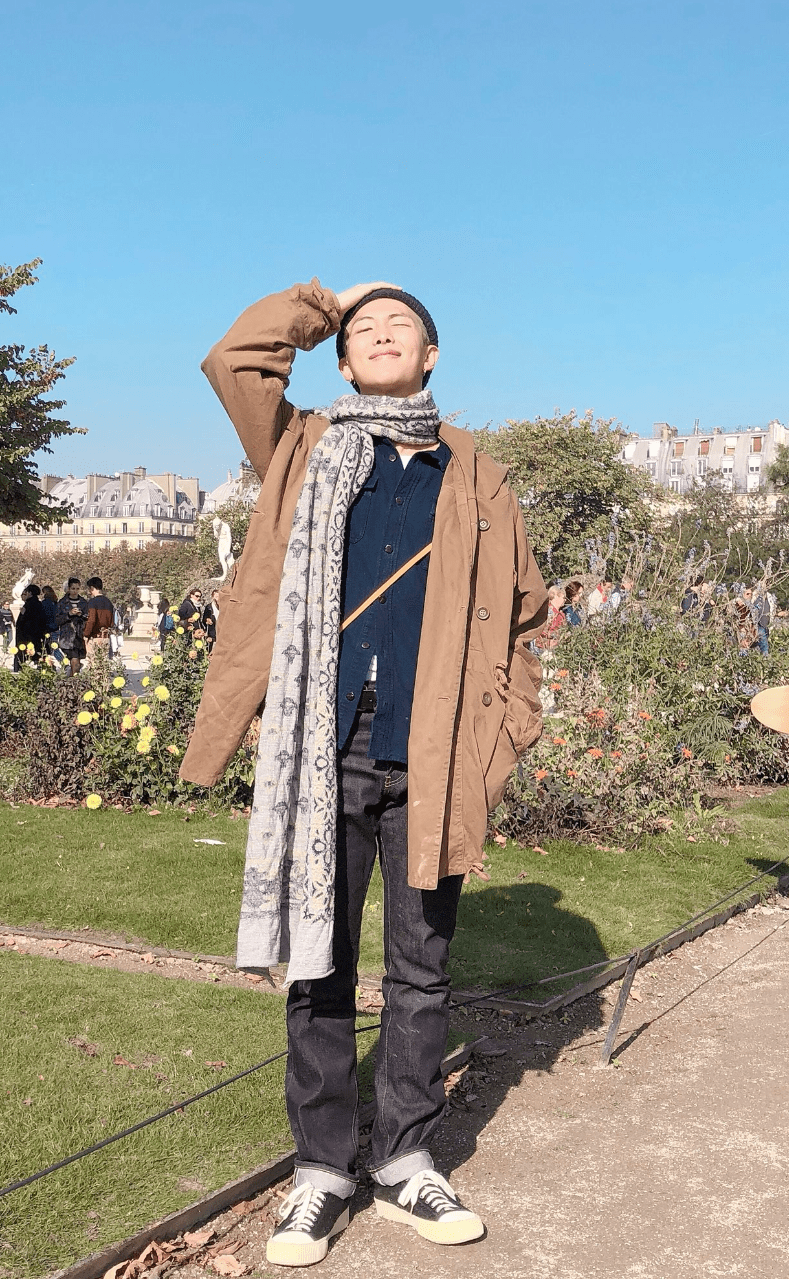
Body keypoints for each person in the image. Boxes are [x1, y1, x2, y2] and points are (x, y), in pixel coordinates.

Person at [178, 279, 546, 1266]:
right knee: (320, 966)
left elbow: (521, 613)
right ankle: (322, 1168)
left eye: (402, 328)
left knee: (420, 974)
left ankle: (406, 1157)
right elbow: (235, 360)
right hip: (319, 746)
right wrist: (318, 301)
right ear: (341, 361)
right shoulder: (298, 443)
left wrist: (501, 736)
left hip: (430, 757)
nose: (382, 335)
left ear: (430, 359)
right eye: (363, 331)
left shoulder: (477, 471)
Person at [55, 578, 89, 675]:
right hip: (67, 637)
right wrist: (69, 614)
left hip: (79, 636)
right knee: (74, 661)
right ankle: (73, 680)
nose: (75, 591)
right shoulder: (62, 603)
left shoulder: (83, 602)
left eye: (77, 589)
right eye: (73, 588)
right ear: (69, 589)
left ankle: (72, 680)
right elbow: (57, 620)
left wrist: (81, 616)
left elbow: (88, 618)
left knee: (76, 663)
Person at [14, 584, 47, 671]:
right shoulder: (39, 604)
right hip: (37, 634)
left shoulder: (29, 605)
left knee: (25, 656)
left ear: (30, 593)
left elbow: (24, 620)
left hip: (25, 634)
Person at [84, 576, 115, 661]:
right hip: (106, 637)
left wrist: (86, 634)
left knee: (94, 664)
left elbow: (92, 620)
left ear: (92, 588)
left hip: (95, 637)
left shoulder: (92, 602)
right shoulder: (109, 602)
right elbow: (112, 622)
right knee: (103, 665)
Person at [40, 585, 59, 650]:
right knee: (55, 646)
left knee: (47, 648)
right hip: (55, 627)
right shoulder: (55, 602)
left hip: (47, 627)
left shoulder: (44, 603)